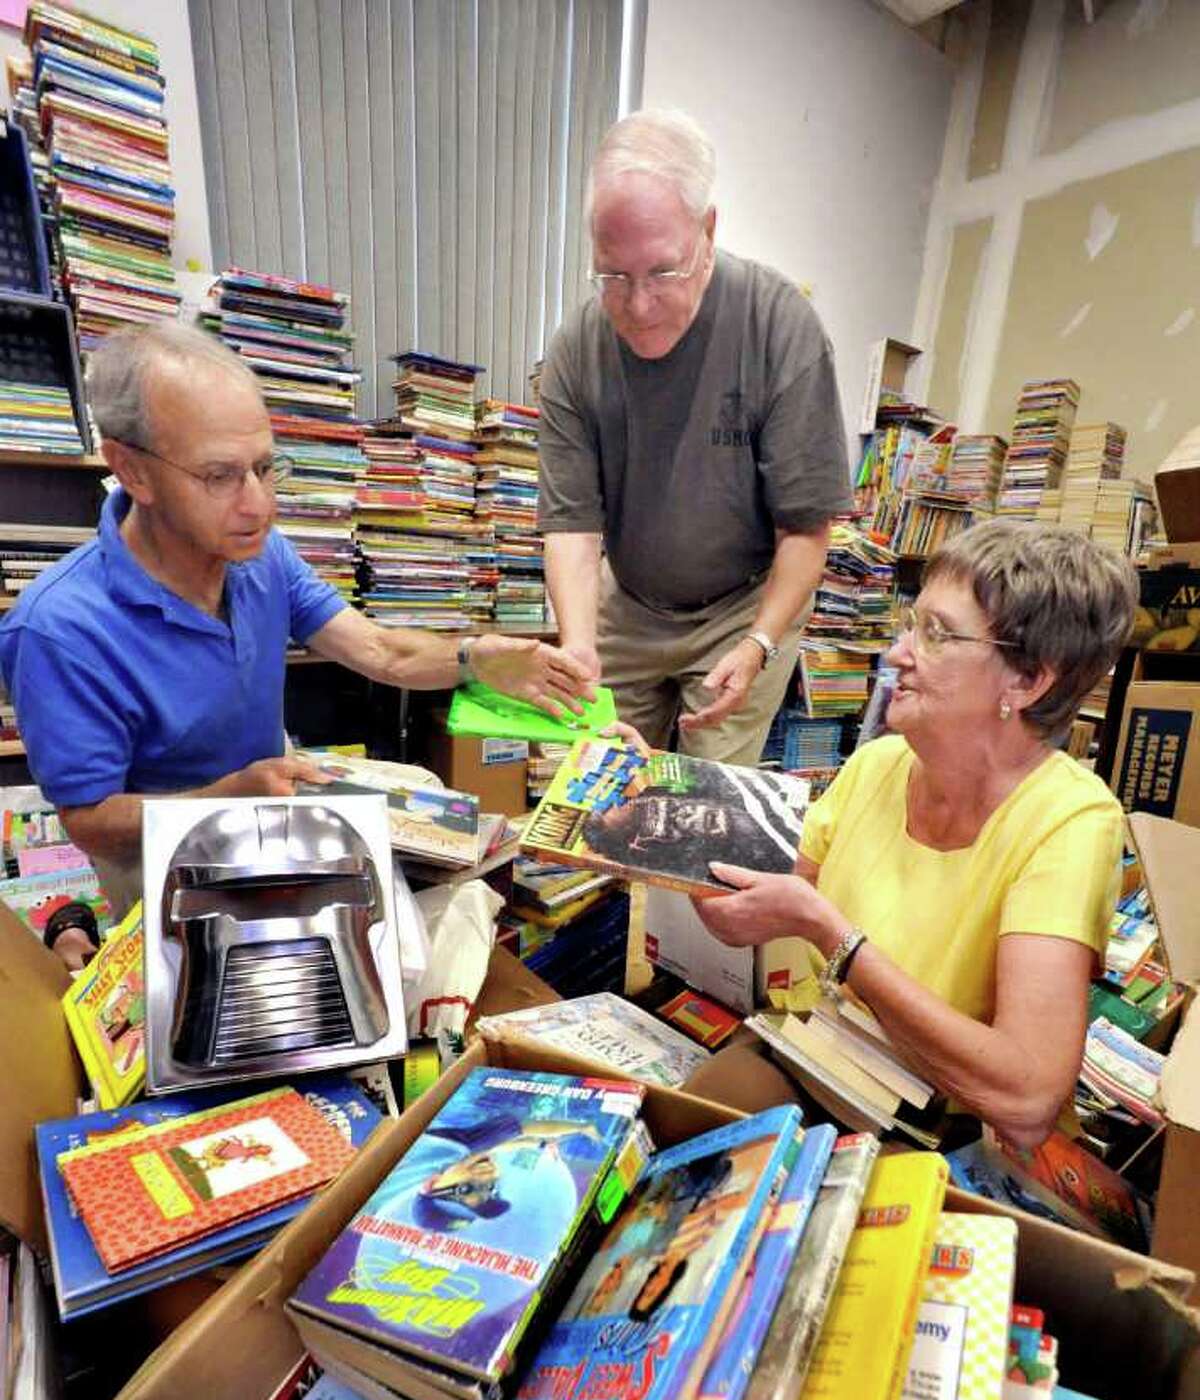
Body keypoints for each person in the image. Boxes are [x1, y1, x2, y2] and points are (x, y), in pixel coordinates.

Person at [0, 324, 589, 914]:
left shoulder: (259, 554)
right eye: (220, 476)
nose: (259, 504)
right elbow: (93, 822)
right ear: (131, 470)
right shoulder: (58, 629)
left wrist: (475, 658)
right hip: (163, 855)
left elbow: (379, 650)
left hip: (267, 800)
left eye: (263, 467)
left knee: (435, 839)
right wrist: (228, 799)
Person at [696, 520, 1137, 1150]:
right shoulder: (879, 763)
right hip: (825, 1058)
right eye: (911, 624)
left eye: (937, 634)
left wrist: (836, 939)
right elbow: (750, 905)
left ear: (1027, 680)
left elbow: (1028, 1096)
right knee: (690, 1123)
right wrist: (655, 797)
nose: (897, 653)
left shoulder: (1071, 822)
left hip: (942, 1122)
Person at [538, 107, 852, 766]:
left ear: (707, 231)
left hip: (742, 608)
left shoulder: (779, 327)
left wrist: (760, 642)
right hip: (629, 600)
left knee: (702, 796)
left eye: (662, 273)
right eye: (613, 276)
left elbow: (806, 531)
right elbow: (572, 527)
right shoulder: (575, 350)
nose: (638, 305)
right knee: (599, 777)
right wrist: (577, 644)